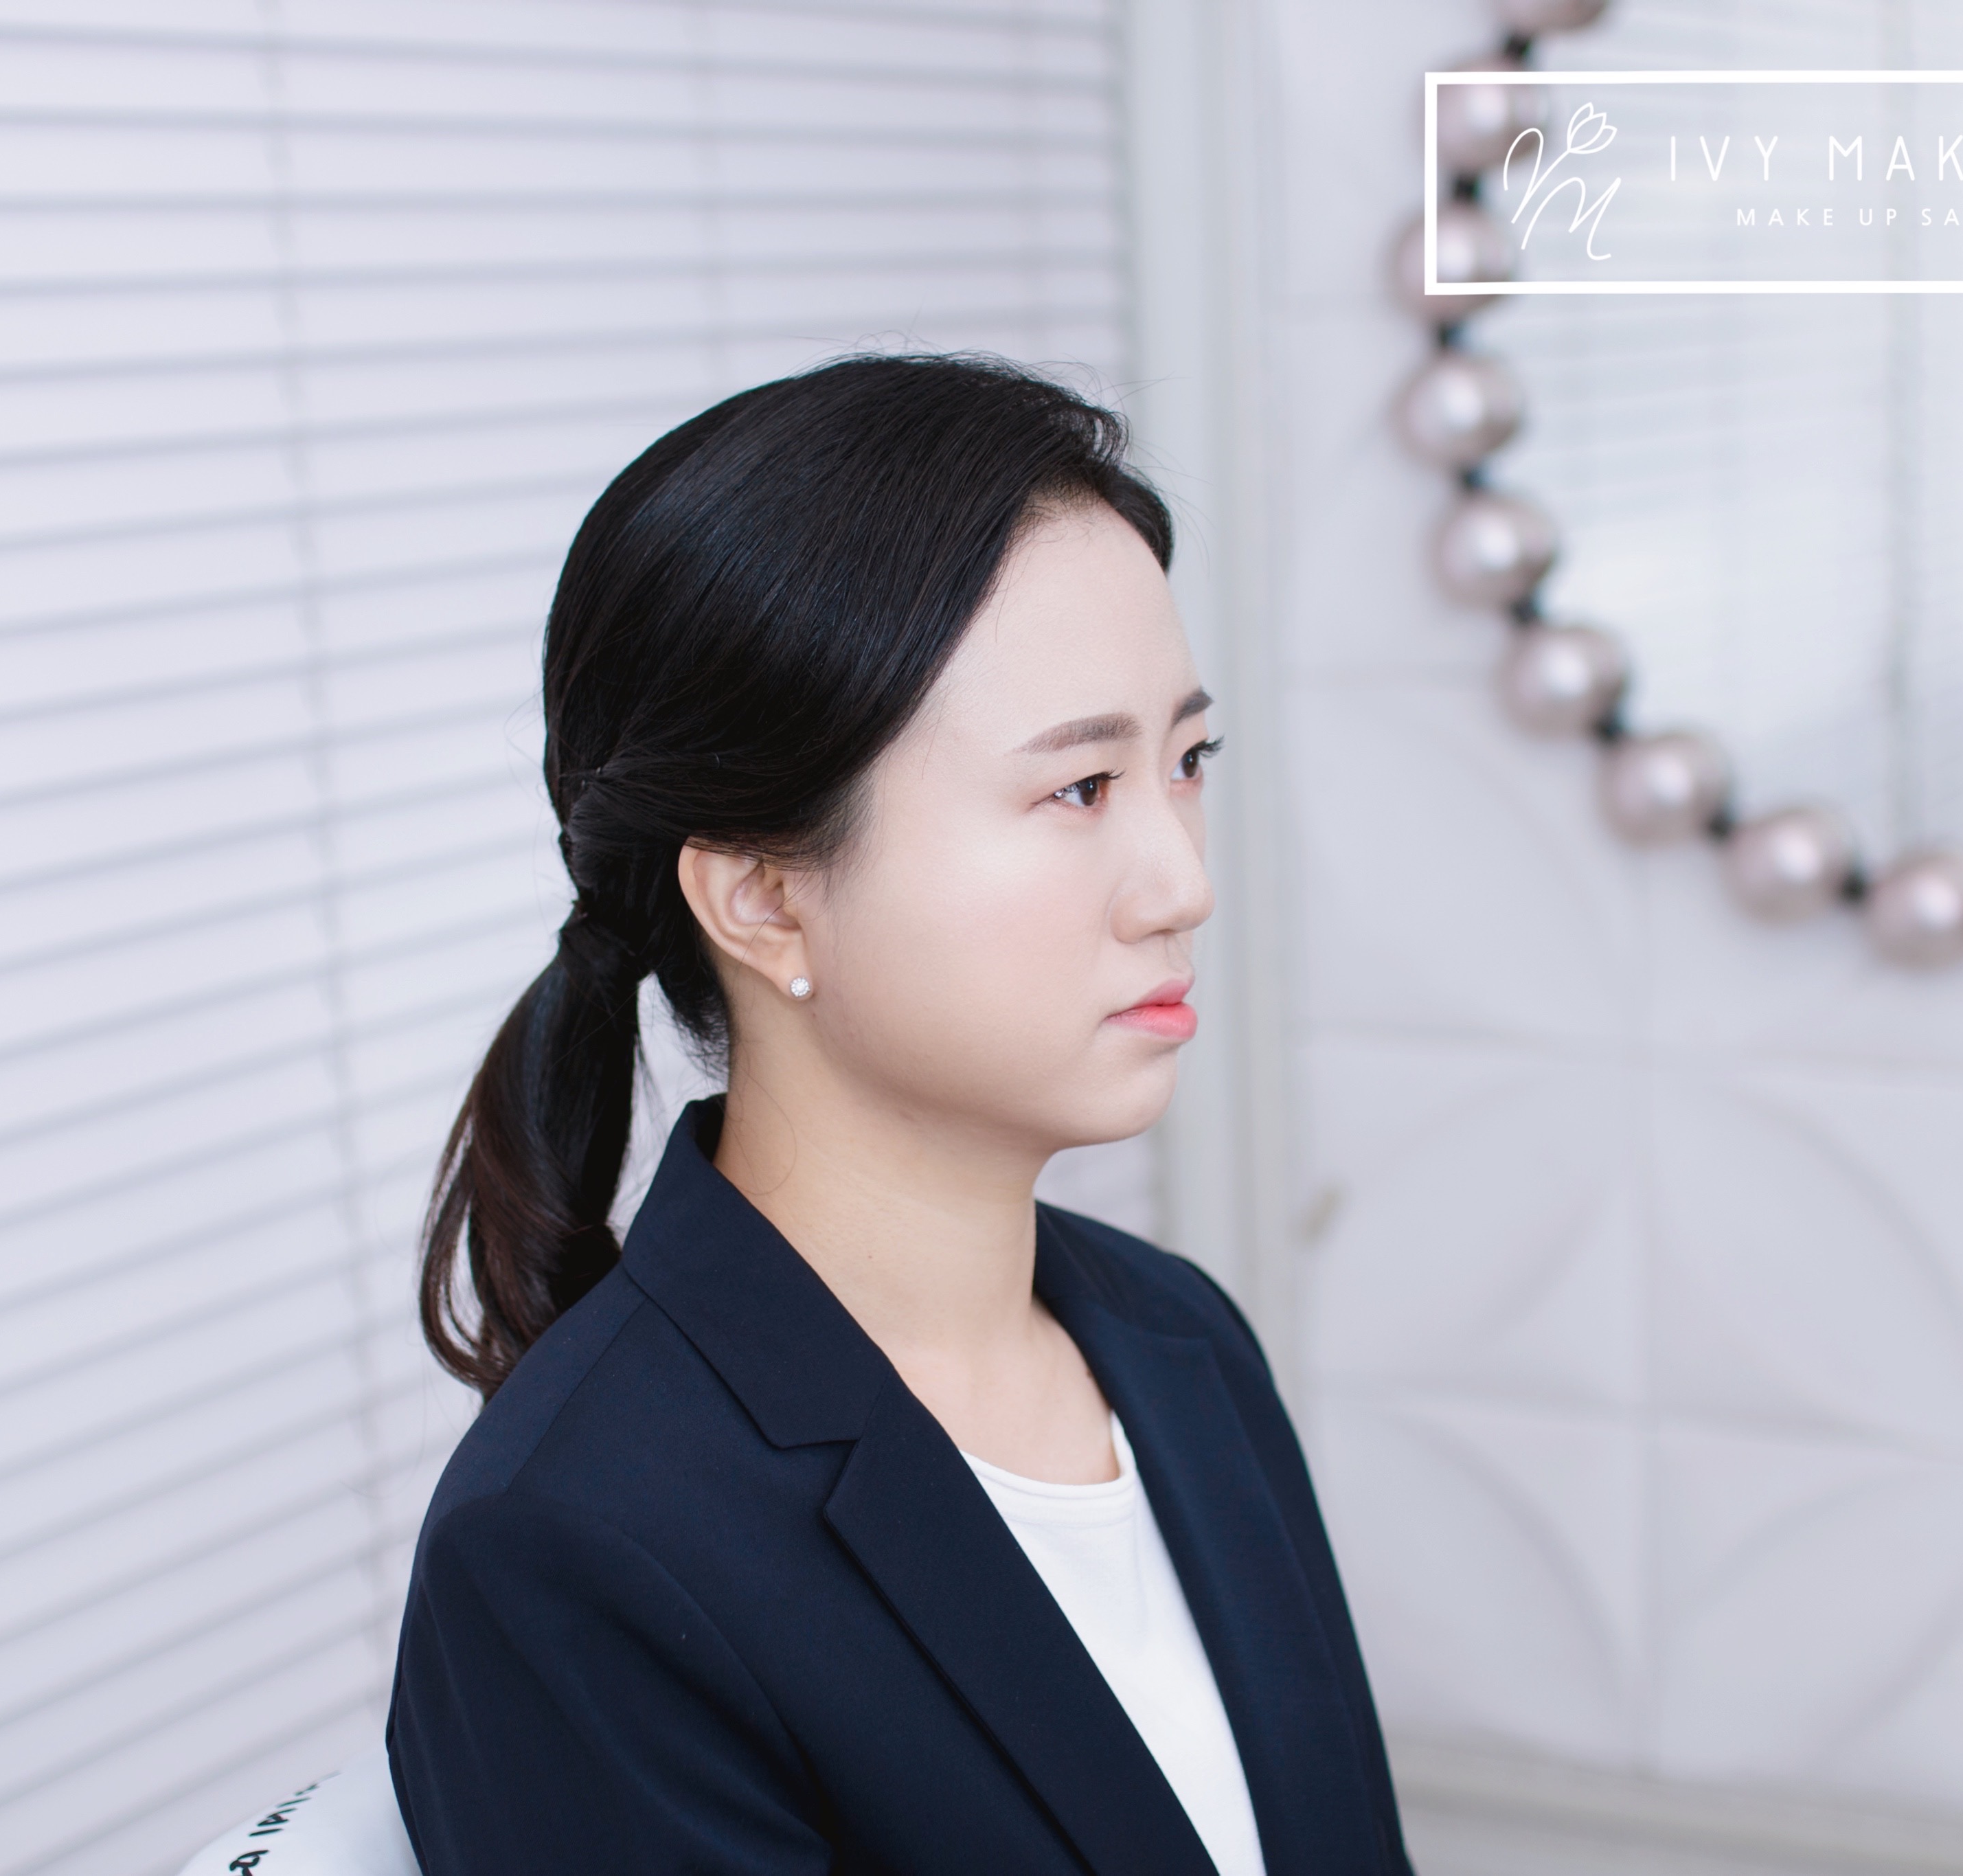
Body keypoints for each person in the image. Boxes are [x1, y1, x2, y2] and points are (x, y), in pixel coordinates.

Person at [387, 353, 1411, 1875]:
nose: (1182, 883)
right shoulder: (574, 1550)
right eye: (1078, 788)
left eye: (1186, 763)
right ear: (762, 897)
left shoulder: (1178, 1343)